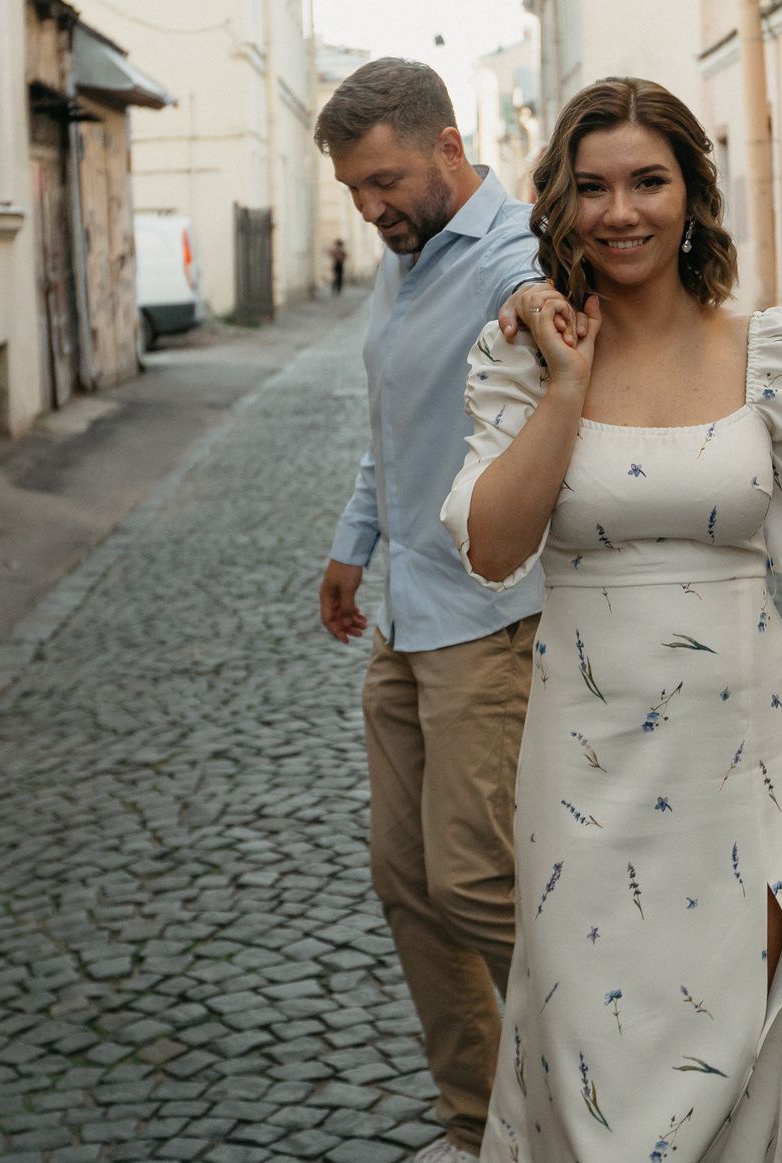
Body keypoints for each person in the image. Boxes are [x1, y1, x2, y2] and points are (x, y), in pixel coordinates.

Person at [442, 76, 782, 1163]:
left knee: (736, 1036)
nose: (621, 211)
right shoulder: (522, 355)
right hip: (582, 765)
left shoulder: (767, 352)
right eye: (594, 187)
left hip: (743, 756)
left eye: (647, 181)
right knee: (589, 1053)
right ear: (561, 204)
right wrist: (567, 388)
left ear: (690, 194)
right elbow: (489, 547)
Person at [315, 58, 547, 1163]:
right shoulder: (401, 264)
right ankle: (480, 1130)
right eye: (356, 192)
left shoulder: (508, 250)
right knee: (404, 883)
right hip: (406, 616)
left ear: (449, 146)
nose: (372, 209)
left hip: (487, 621)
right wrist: (350, 548)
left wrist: (535, 299)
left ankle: (600, 1107)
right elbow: (390, 426)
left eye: (386, 181)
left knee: (477, 878)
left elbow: (528, 285)